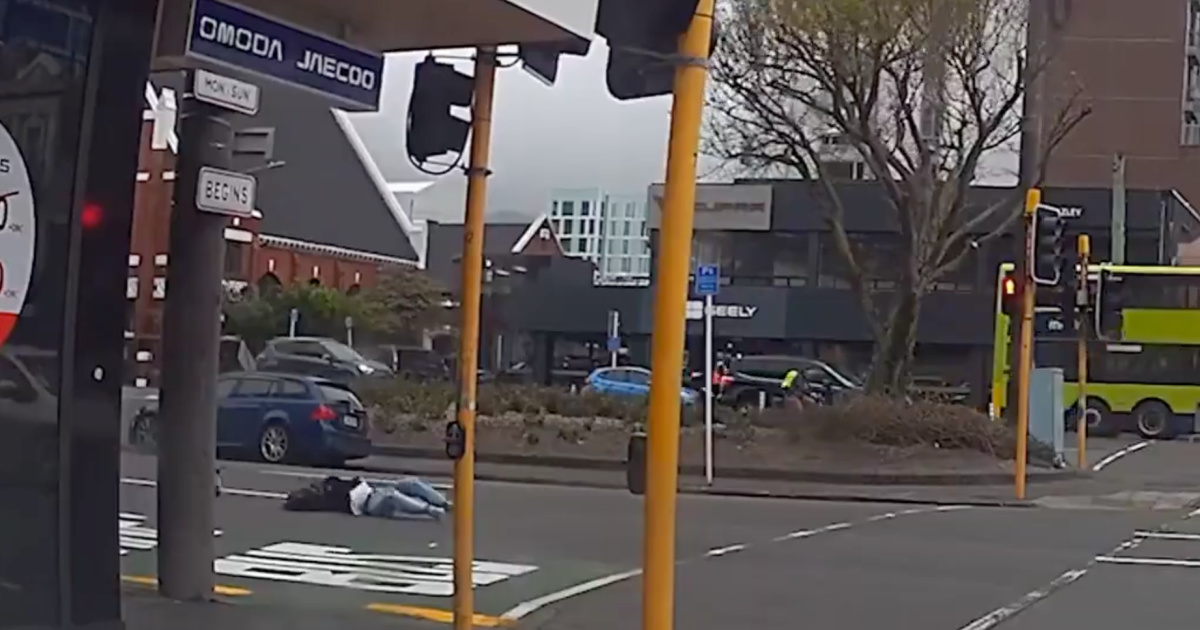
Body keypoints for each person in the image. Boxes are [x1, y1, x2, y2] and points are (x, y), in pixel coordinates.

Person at [348, 476, 451, 520]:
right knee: (391, 495)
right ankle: (430, 509)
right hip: (369, 503)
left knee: (411, 483)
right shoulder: (342, 494)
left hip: (376, 490)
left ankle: (443, 502)